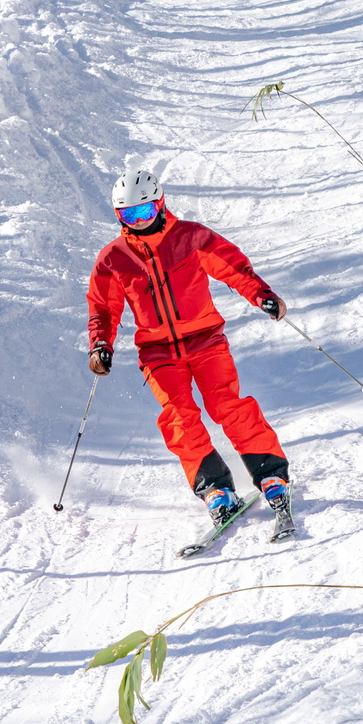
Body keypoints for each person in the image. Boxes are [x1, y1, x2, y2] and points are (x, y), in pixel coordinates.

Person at [87, 162, 295, 539]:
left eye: (143, 212)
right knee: (179, 418)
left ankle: (271, 475)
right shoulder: (113, 258)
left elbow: (232, 267)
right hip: (157, 352)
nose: (136, 221)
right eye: (127, 215)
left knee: (226, 406)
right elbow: (103, 307)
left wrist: (261, 295)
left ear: (160, 204)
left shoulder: (191, 237)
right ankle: (216, 489)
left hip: (206, 340)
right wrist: (101, 345)